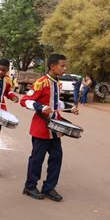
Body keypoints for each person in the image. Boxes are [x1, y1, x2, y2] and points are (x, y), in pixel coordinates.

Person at [20, 54, 79, 202]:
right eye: (62, 65)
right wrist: (41, 107)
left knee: (56, 158)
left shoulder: (57, 83)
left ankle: (49, 187)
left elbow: (56, 103)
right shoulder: (41, 83)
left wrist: (70, 108)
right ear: (53, 66)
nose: (65, 68)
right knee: (37, 159)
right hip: (41, 128)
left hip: (55, 129)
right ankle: (30, 186)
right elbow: (25, 101)